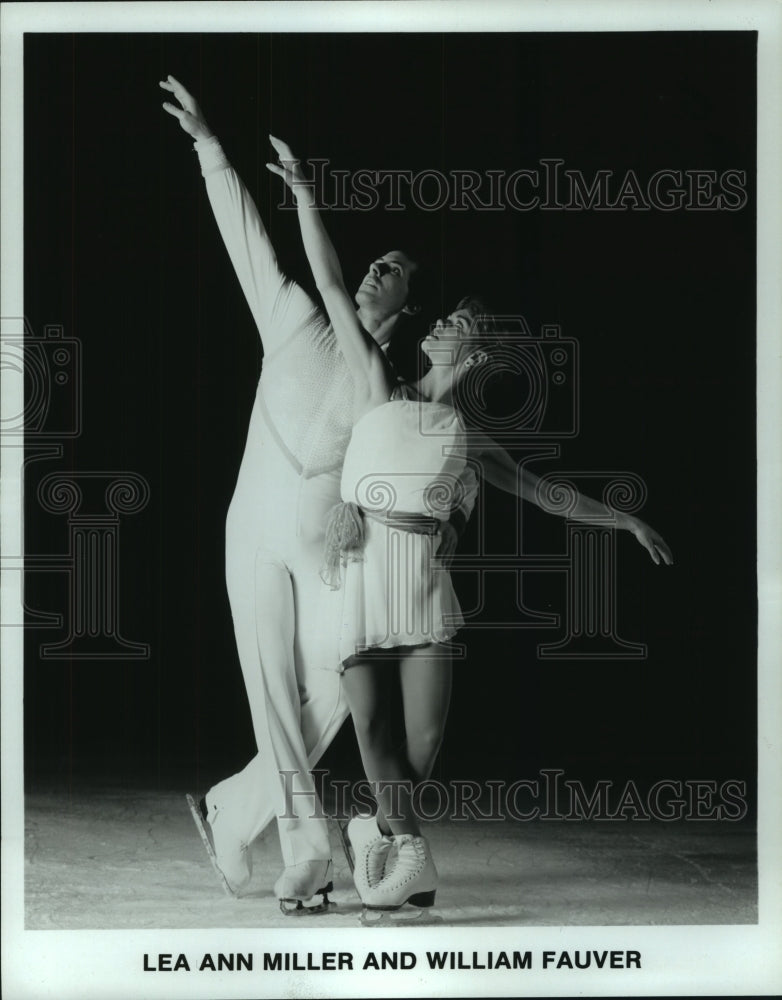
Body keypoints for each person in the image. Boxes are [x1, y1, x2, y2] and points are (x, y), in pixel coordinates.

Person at [267, 136, 674, 915]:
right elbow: (324, 276)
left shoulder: (466, 435)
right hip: (361, 572)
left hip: (423, 587)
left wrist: (622, 519)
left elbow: (547, 494)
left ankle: (367, 831)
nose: (445, 323)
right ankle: (406, 865)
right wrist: (305, 191)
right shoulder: (380, 381)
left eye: (460, 321)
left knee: (417, 753)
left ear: (476, 349)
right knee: (380, 740)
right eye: (444, 313)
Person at [159, 76, 477, 911]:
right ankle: (302, 854)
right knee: (270, 683)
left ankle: (234, 806)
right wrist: (209, 146)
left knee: (339, 691)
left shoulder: (397, 389)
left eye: (393, 272)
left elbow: (433, 473)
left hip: (334, 550)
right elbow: (248, 240)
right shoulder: (296, 314)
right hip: (257, 528)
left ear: (409, 307)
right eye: (374, 261)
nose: (375, 271)